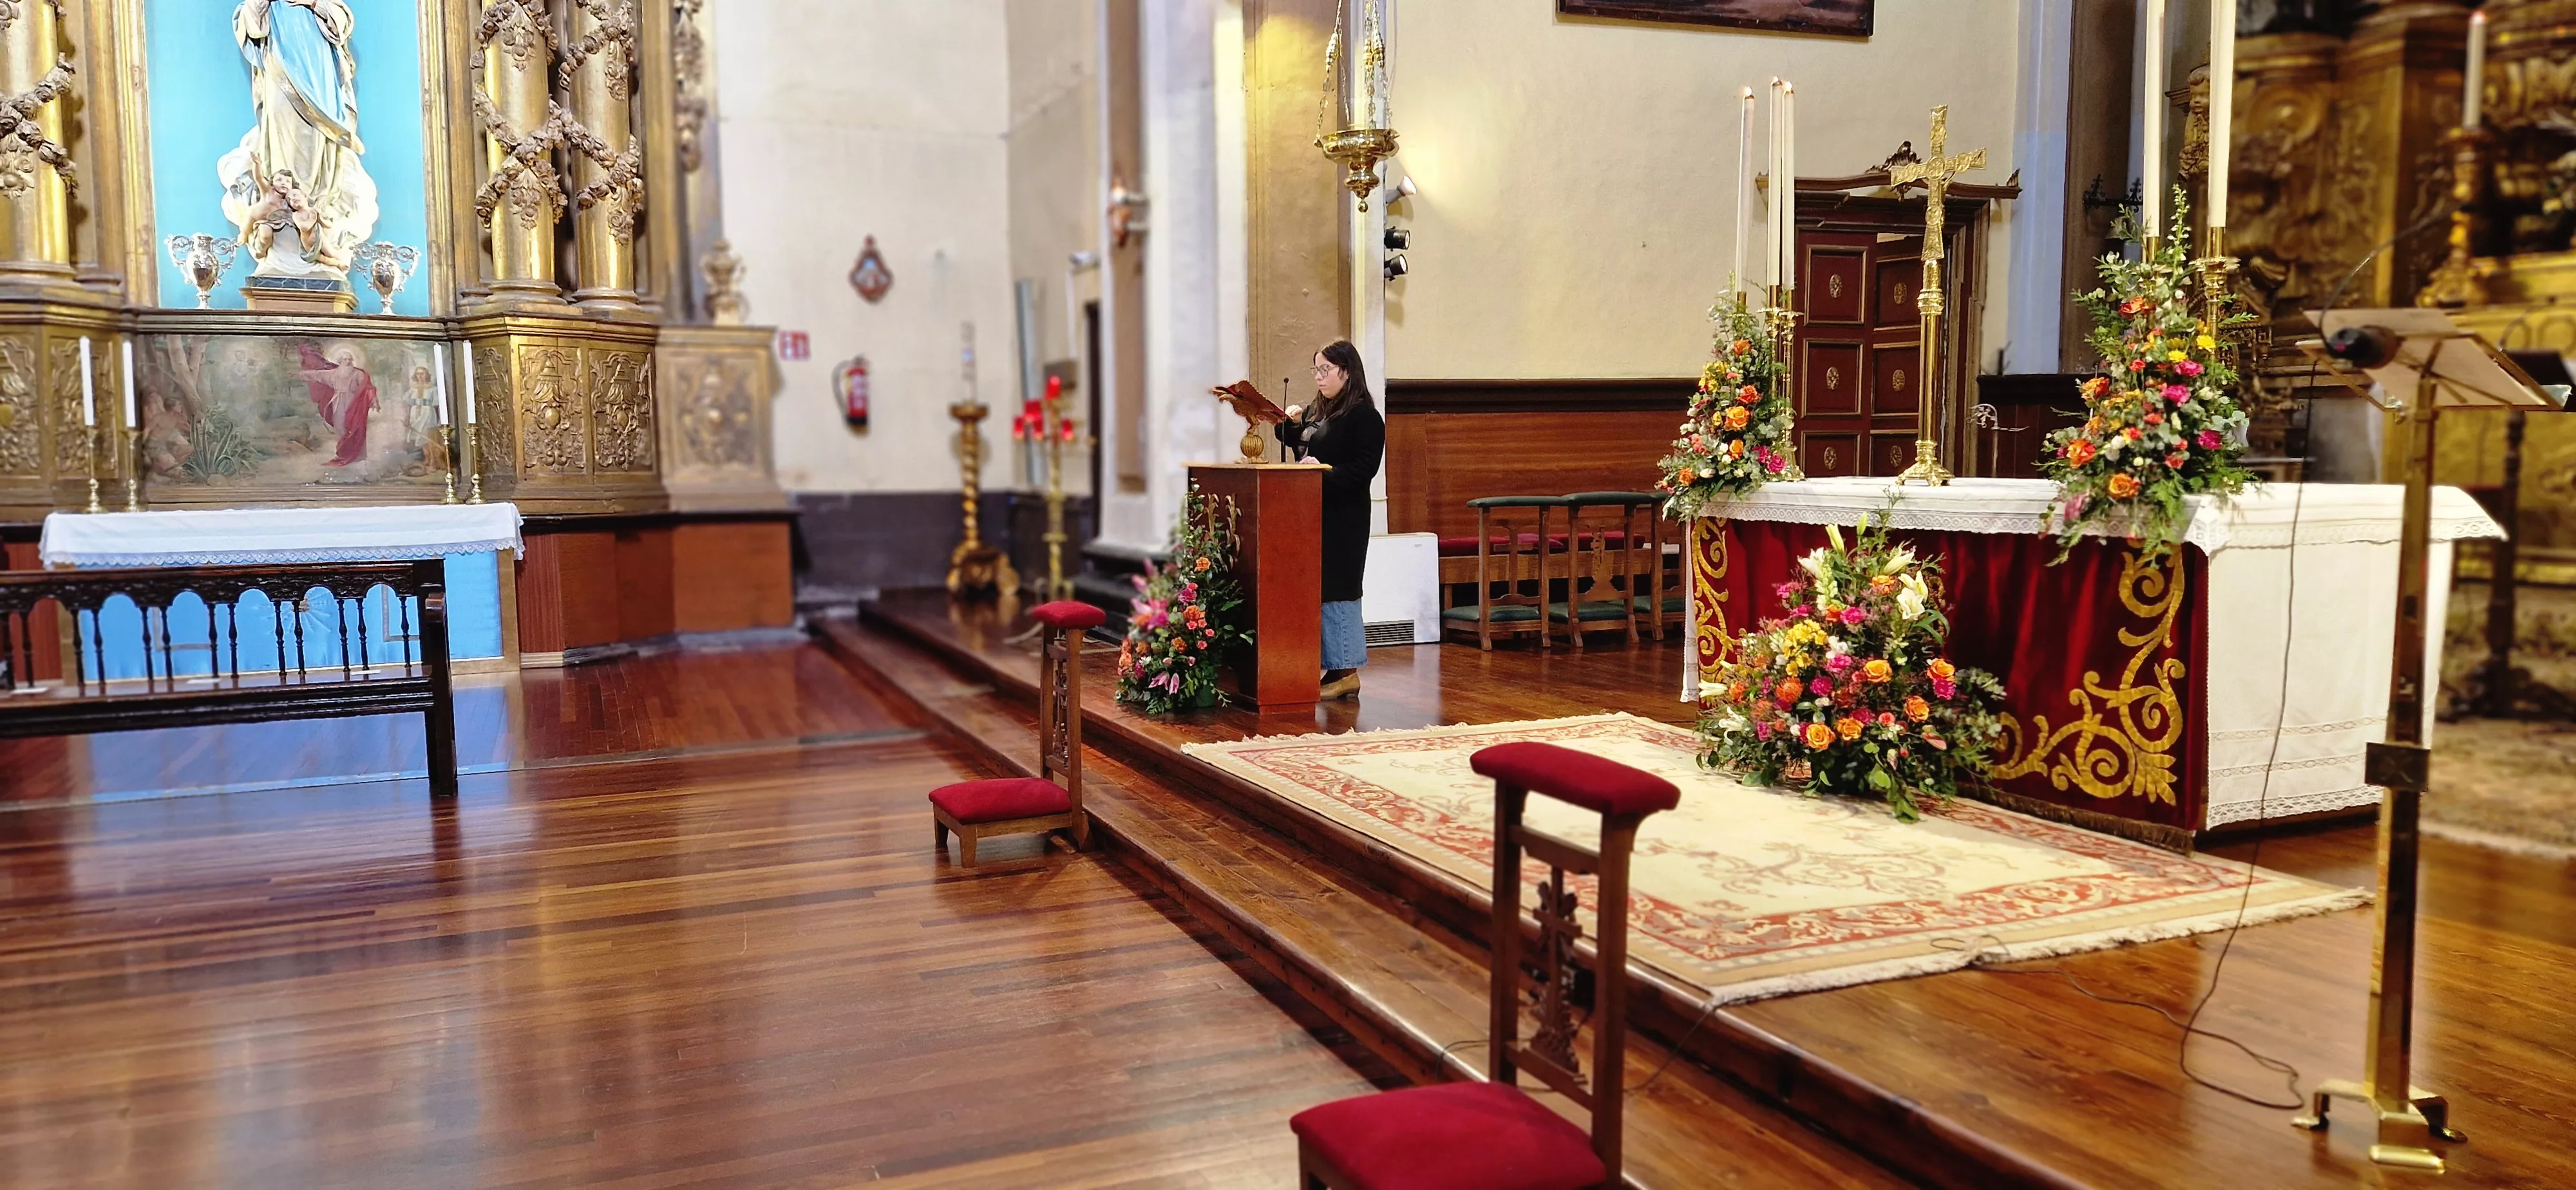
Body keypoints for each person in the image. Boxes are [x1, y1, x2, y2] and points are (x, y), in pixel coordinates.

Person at [1276, 340, 1386, 701]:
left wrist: (1324, 471)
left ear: (1347, 371)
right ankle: (1330, 668)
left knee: (1339, 590)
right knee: (1319, 589)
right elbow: (1298, 437)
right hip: (1312, 515)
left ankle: (1347, 672)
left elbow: (1363, 469)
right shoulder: (1319, 412)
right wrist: (1286, 423)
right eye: (1316, 370)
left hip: (1345, 518)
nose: (1319, 377)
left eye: (1326, 370)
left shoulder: (1365, 417)